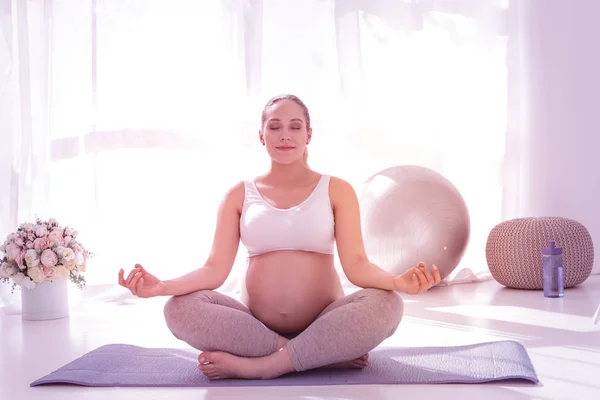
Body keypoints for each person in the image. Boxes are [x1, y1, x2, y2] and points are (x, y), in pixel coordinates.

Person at [118, 94, 441, 380]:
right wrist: (161, 287)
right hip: (255, 329)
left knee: (387, 303)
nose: (284, 135)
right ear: (261, 135)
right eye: (274, 127)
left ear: (308, 135)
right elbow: (213, 271)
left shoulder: (336, 189)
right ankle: (312, 357)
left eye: (295, 126)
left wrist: (397, 282)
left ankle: (264, 366)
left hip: (325, 323)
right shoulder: (239, 194)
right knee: (178, 308)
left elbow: (357, 265)